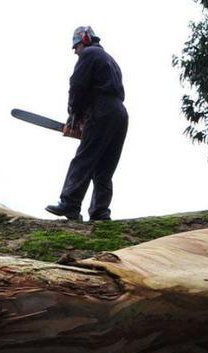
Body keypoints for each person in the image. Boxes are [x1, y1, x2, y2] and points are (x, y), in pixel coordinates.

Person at [45, 26, 128, 222]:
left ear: (85, 39)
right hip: (120, 114)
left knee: (84, 158)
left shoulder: (89, 54)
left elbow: (77, 85)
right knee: (104, 167)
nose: (75, 51)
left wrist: (73, 114)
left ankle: (70, 203)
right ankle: (100, 212)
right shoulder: (110, 60)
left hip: (102, 109)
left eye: (76, 46)